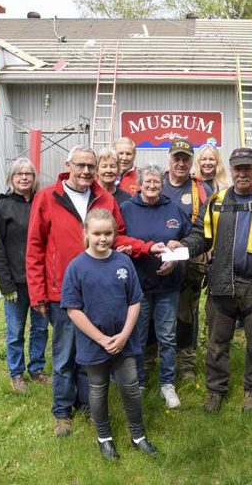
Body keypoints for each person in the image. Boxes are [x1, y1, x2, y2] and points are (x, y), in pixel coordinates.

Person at [26, 145, 165, 437]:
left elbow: (120, 235)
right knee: (64, 356)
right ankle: (62, 412)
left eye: (91, 166)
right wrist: (37, 292)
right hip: (60, 293)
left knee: (89, 355)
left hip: (99, 292)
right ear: (69, 165)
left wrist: (147, 247)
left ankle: (89, 405)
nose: (87, 171)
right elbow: (35, 246)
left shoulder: (103, 198)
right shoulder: (48, 197)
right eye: (81, 165)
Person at [169, 147, 252, 413]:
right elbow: (199, 236)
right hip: (221, 283)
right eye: (237, 168)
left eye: (247, 168)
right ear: (230, 169)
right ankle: (216, 390)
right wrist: (180, 247)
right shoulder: (216, 201)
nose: (242, 173)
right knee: (216, 341)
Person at [61, 208, 158, 460]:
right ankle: (104, 437)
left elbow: (135, 301)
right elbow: (73, 310)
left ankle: (138, 436)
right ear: (86, 233)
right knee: (98, 388)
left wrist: (125, 334)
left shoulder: (123, 262)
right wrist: (102, 339)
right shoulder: (76, 267)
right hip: (94, 344)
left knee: (131, 388)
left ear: (114, 233)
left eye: (107, 233)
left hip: (124, 342)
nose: (102, 239)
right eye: (96, 234)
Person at [120, 164, 192, 409]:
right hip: (137, 286)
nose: (152, 186)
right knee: (138, 335)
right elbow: (117, 238)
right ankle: (138, 381)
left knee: (167, 336)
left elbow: (189, 239)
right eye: (147, 182)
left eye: (156, 182)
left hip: (168, 285)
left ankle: (167, 383)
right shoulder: (127, 209)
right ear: (139, 183)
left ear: (162, 184)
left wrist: (176, 254)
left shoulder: (173, 208)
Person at [0, 158, 50, 393]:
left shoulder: (40, 204)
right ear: (11, 179)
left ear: (35, 179)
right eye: (19, 174)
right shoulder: (1, 208)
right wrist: (6, 286)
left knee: (40, 328)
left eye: (29, 174)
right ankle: (16, 373)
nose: (24, 178)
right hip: (15, 282)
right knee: (15, 330)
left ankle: (37, 368)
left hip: (39, 281)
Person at [162, 138, 213, 381]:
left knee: (187, 313)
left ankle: (186, 363)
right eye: (177, 158)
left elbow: (209, 227)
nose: (181, 163)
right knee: (156, 309)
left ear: (192, 161)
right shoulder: (156, 183)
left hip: (191, 261)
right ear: (170, 159)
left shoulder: (202, 189)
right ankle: (153, 358)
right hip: (159, 258)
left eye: (186, 158)